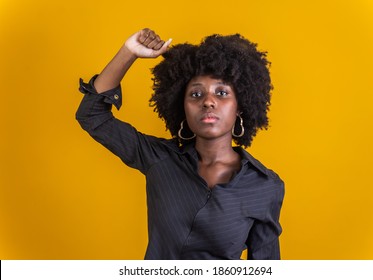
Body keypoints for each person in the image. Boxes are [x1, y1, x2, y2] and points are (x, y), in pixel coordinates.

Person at [76, 28, 284, 260]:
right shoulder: (159, 158)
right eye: (196, 94)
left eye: (222, 93)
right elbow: (92, 116)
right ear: (181, 107)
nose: (208, 102)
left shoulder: (265, 186)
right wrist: (129, 52)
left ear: (240, 107)